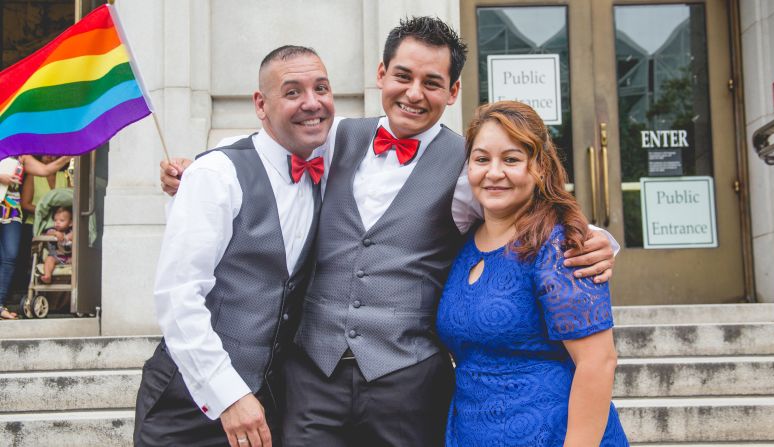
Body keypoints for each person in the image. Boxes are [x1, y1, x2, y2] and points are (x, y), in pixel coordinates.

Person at [160, 17, 617, 447]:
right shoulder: (335, 136)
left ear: (453, 90)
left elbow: (527, 202)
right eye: (403, 76)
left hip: (408, 378)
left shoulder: (468, 163)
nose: (414, 94)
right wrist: (199, 167)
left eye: (432, 83)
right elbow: (268, 150)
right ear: (381, 73)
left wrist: (595, 240)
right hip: (311, 376)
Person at [134, 45, 333, 447]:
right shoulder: (215, 174)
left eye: (322, 88)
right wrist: (229, 395)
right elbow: (178, 296)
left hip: (267, 406)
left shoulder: (330, 157)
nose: (312, 103)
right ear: (261, 104)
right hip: (185, 404)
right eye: (292, 92)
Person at [436, 101, 629, 446]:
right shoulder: (464, 244)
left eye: (510, 159)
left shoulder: (561, 245)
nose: (494, 172)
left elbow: (598, 362)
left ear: (538, 167)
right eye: (482, 159)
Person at [0, 155, 70, 320]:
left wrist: (67, 158)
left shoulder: (21, 156)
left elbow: (45, 170)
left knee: (10, 256)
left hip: (12, 210)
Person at [40, 206, 73, 284]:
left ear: (71, 223)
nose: (57, 222)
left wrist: (69, 236)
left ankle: (77, 277)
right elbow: (48, 233)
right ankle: (47, 276)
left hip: (71, 257)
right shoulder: (53, 230)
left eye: (62, 220)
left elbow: (76, 233)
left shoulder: (73, 230)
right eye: (55, 220)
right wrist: (55, 233)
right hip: (57, 256)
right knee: (49, 259)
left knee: (78, 259)